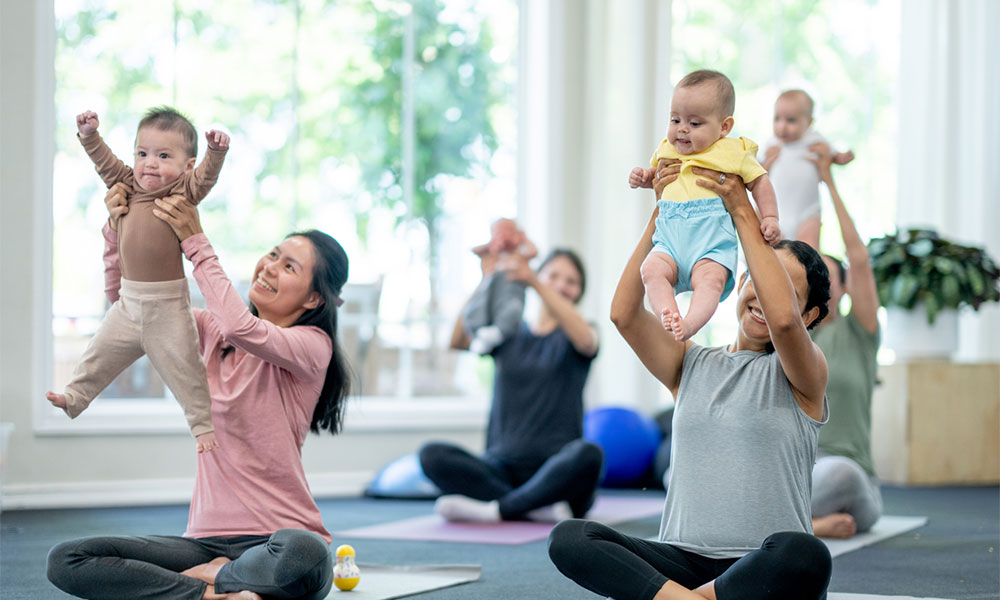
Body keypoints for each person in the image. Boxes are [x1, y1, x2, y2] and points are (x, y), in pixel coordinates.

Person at [47, 185, 351, 600]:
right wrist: (117, 232)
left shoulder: (313, 346)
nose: (270, 266)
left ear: (314, 297)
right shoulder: (208, 332)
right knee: (69, 558)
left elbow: (243, 328)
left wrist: (195, 242)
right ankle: (212, 591)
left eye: (290, 267)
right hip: (201, 542)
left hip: (277, 540)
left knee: (306, 556)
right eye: (274, 254)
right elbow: (131, 307)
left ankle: (220, 576)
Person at [549, 160, 833, 600]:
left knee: (805, 554)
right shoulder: (690, 363)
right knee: (570, 538)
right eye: (757, 279)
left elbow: (784, 322)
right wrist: (660, 215)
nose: (763, 295)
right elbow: (623, 314)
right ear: (742, 281)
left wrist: (743, 211)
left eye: (783, 288)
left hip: (761, 563)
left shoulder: (804, 374)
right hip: (680, 561)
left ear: (810, 314)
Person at [47, 107, 231, 452]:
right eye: (143, 153)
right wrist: (89, 136)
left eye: (164, 156)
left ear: (186, 165)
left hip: (168, 306)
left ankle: (202, 425)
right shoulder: (127, 184)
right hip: (128, 304)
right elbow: (104, 161)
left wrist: (216, 153)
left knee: (186, 366)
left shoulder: (183, 191)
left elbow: (206, 177)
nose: (150, 163)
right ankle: (75, 397)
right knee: (98, 352)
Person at [418, 247, 603, 523]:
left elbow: (588, 342)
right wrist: (486, 278)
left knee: (589, 454)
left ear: (579, 292)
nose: (561, 285)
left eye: (571, 281)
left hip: (556, 471)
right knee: (432, 455)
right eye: (553, 275)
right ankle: (533, 505)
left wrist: (537, 283)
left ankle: (498, 509)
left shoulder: (581, 332)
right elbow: (457, 340)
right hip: (500, 467)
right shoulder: (508, 333)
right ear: (540, 275)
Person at [629, 70, 780, 342]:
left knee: (710, 282)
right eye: (675, 120)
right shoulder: (667, 148)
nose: (682, 129)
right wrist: (644, 177)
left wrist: (769, 217)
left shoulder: (732, 152)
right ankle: (668, 313)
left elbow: (760, 182)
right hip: (669, 241)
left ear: (724, 127)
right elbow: (656, 175)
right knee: (650, 270)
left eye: (695, 123)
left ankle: (689, 325)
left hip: (709, 244)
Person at [807, 143, 883, 539]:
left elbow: (860, 258)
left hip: (849, 478)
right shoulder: (793, 338)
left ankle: (770, 523)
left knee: (842, 473)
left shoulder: (858, 333)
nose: (819, 284)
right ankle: (808, 524)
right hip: (796, 473)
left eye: (828, 278)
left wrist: (828, 183)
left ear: (844, 288)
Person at [760, 89, 855, 249]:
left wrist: (841, 158)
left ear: (809, 122)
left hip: (807, 212)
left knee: (808, 250)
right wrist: (765, 164)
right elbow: (758, 170)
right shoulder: (772, 144)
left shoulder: (814, 140)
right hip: (777, 212)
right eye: (777, 119)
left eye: (791, 120)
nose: (781, 127)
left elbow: (832, 156)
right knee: (776, 252)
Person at [463, 218, 538, 355]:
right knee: (476, 308)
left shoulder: (519, 253)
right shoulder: (493, 253)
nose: (505, 236)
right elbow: (474, 250)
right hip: (491, 288)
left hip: (512, 290)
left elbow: (534, 252)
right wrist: (489, 246)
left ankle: (498, 333)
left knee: (512, 310)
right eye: (500, 232)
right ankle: (477, 334)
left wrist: (524, 238)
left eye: (510, 231)